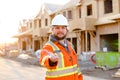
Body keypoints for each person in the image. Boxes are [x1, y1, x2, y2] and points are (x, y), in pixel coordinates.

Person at [40, 14, 83, 80]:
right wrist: (51, 60)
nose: (60, 30)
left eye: (63, 28)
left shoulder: (70, 45)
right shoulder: (48, 46)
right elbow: (43, 59)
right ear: (52, 30)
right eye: (57, 28)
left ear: (66, 30)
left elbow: (76, 69)